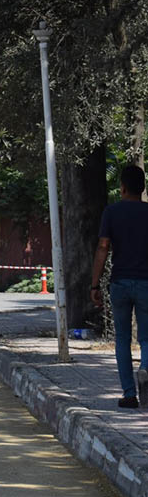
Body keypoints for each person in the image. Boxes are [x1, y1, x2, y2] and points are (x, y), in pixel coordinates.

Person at [90, 164, 148, 409]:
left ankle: (129, 394)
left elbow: (103, 248)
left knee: (122, 339)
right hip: (147, 283)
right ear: (143, 188)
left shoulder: (111, 212)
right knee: (147, 337)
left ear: (122, 187)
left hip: (120, 283)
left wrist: (95, 284)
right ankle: (145, 369)